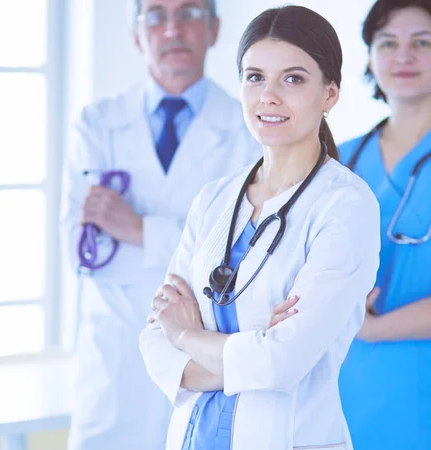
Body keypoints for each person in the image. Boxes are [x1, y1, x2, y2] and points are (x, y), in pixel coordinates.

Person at [140, 5, 381, 450]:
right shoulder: (214, 199)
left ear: (329, 94)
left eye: (293, 79)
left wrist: (188, 335)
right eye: (255, 77)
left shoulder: (344, 206)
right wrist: (250, 352)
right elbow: (155, 344)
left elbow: (281, 362)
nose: (269, 96)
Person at [60, 0, 260, 449]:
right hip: (114, 353)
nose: (173, 29)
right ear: (136, 34)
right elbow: (77, 247)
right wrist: (183, 244)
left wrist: (136, 229)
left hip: (200, 347)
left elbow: (240, 255)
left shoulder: (246, 127)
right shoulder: (98, 124)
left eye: (189, 14)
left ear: (213, 29)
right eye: (157, 16)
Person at [337, 1, 431, 448]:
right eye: (387, 42)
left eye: (422, 42)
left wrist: (372, 327)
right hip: (344, 392)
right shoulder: (337, 159)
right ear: (370, 58)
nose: (403, 56)